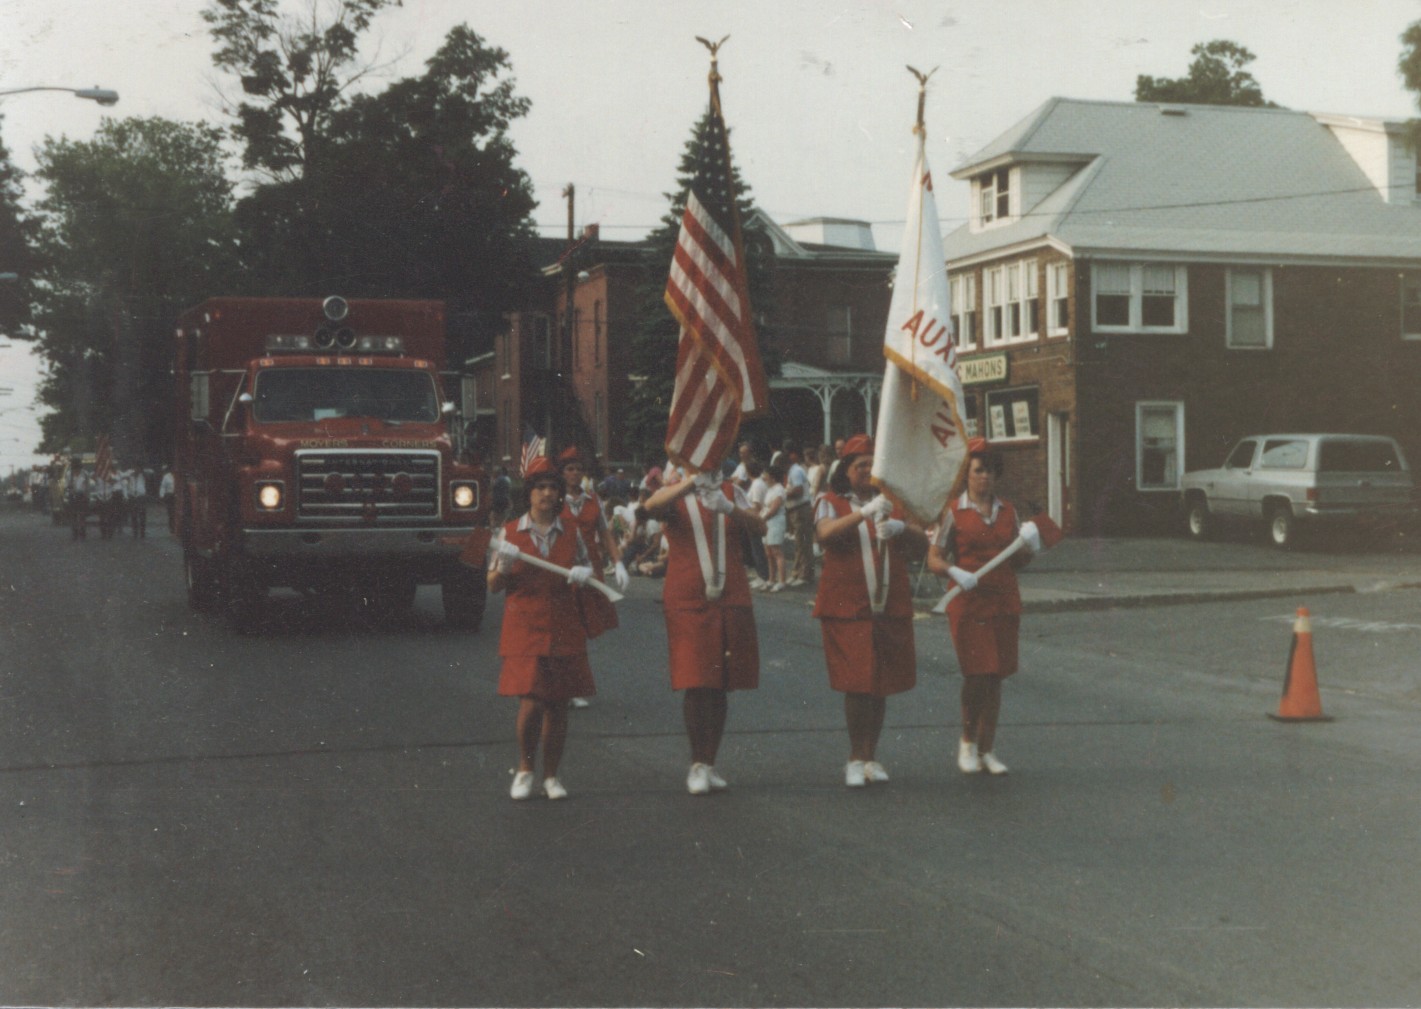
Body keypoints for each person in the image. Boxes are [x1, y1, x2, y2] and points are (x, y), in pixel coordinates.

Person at [813, 435, 928, 787]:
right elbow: (825, 534)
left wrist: (899, 527)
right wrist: (862, 513)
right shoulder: (829, 500)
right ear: (845, 471)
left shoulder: (893, 502)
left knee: (880, 682)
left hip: (887, 603)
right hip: (848, 605)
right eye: (859, 464)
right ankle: (854, 756)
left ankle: (871, 756)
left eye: (871, 465)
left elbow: (923, 541)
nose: (866, 470)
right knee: (857, 682)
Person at [644, 466, 766, 794]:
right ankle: (696, 763)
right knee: (696, 679)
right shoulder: (675, 489)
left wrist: (728, 507)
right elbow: (652, 507)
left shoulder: (730, 489)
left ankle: (709, 762)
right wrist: (689, 484)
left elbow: (760, 526)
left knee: (721, 681)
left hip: (730, 591)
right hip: (688, 594)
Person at [925, 438, 1043, 776]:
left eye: (991, 470)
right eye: (979, 470)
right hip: (968, 602)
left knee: (996, 675)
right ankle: (967, 741)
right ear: (967, 474)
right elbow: (934, 557)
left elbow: (1019, 560)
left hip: (1003, 599)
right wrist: (953, 570)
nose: (985, 477)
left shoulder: (1008, 511)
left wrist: (1031, 546)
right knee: (977, 674)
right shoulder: (953, 511)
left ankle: (988, 749)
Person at [487, 455, 597, 801]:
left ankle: (551, 776)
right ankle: (524, 768)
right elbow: (492, 585)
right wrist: (503, 567)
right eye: (540, 488)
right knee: (531, 702)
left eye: (552, 488)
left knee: (558, 704)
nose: (547, 494)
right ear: (529, 493)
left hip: (564, 625)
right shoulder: (509, 533)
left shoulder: (572, 531)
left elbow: (587, 570)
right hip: (525, 626)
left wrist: (585, 576)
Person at [557, 447, 629, 709]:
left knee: (580, 628)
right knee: (566, 628)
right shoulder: (555, 499)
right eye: (569, 469)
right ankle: (565, 686)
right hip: (564, 571)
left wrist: (618, 562)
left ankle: (571, 686)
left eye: (578, 469)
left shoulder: (592, 499)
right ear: (562, 473)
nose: (574, 474)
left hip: (590, 571)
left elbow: (605, 532)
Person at [781, 441, 815, 587]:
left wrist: (783, 493)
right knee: (799, 543)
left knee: (804, 543)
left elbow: (798, 490)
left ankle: (805, 575)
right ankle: (796, 572)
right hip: (796, 510)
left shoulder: (795, 471)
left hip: (801, 509)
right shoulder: (794, 470)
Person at [760, 459, 788, 592]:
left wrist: (762, 519)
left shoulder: (779, 489)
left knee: (776, 552)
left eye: (765, 474)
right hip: (767, 522)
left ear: (772, 476)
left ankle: (782, 581)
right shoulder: (770, 489)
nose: (763, 477)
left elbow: (774, 509)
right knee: (768, 552)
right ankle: (771, 579)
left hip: (775, 522)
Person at [159, 467, 176, 532]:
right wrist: (162, 495)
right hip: (170, 495)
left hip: (177, 495)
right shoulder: (166, 476)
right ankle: (172, 527)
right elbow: (163, 486)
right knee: (171, 512)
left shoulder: (179, 475)